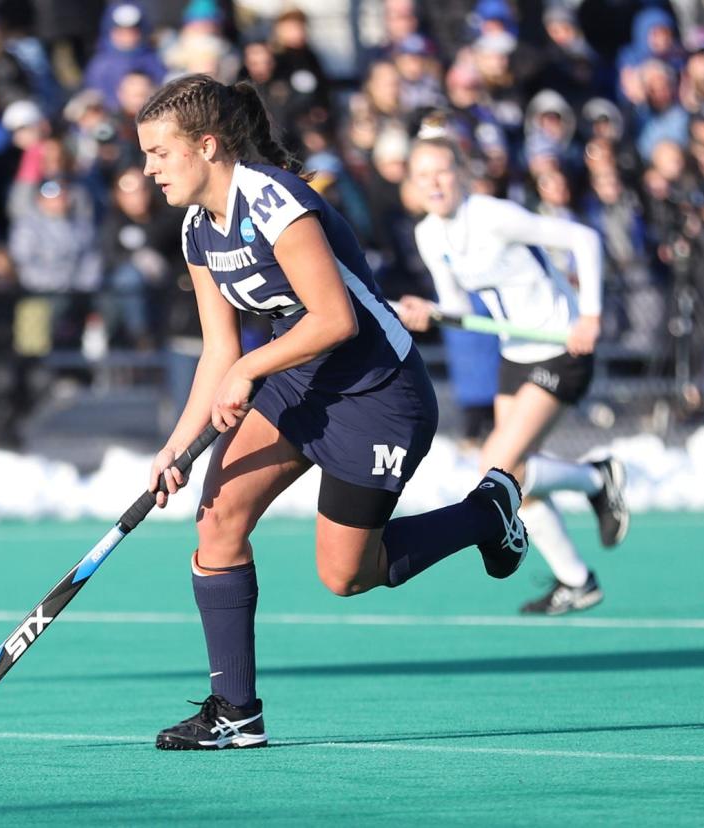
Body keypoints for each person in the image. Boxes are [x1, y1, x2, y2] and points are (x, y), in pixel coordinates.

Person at [135, 74, 529, 751]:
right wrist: (177, 443)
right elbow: (218, 350)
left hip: (381, 395)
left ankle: (488, 511)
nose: (148, 170)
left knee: (346, 575)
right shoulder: (198, 229)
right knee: (218, 515)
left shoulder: (276, 202)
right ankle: (235, 711)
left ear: (205, 147)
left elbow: (335, 318)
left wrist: (249, 371)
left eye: (158, 154)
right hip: (301, 382)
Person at [396, 120, 630, 616]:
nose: (434, 182)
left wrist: (589, 314)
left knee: (495, 467)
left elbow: (583, 239)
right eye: (423, 175)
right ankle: (577, 577)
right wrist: (429, 312)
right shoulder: (428, 234)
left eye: (442, 171)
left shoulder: (493, 216)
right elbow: (459, 307)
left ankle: (598, 480)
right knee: (512, 476)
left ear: (461, 172)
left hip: (562, 346)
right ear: (412, 185)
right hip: (515, 353)